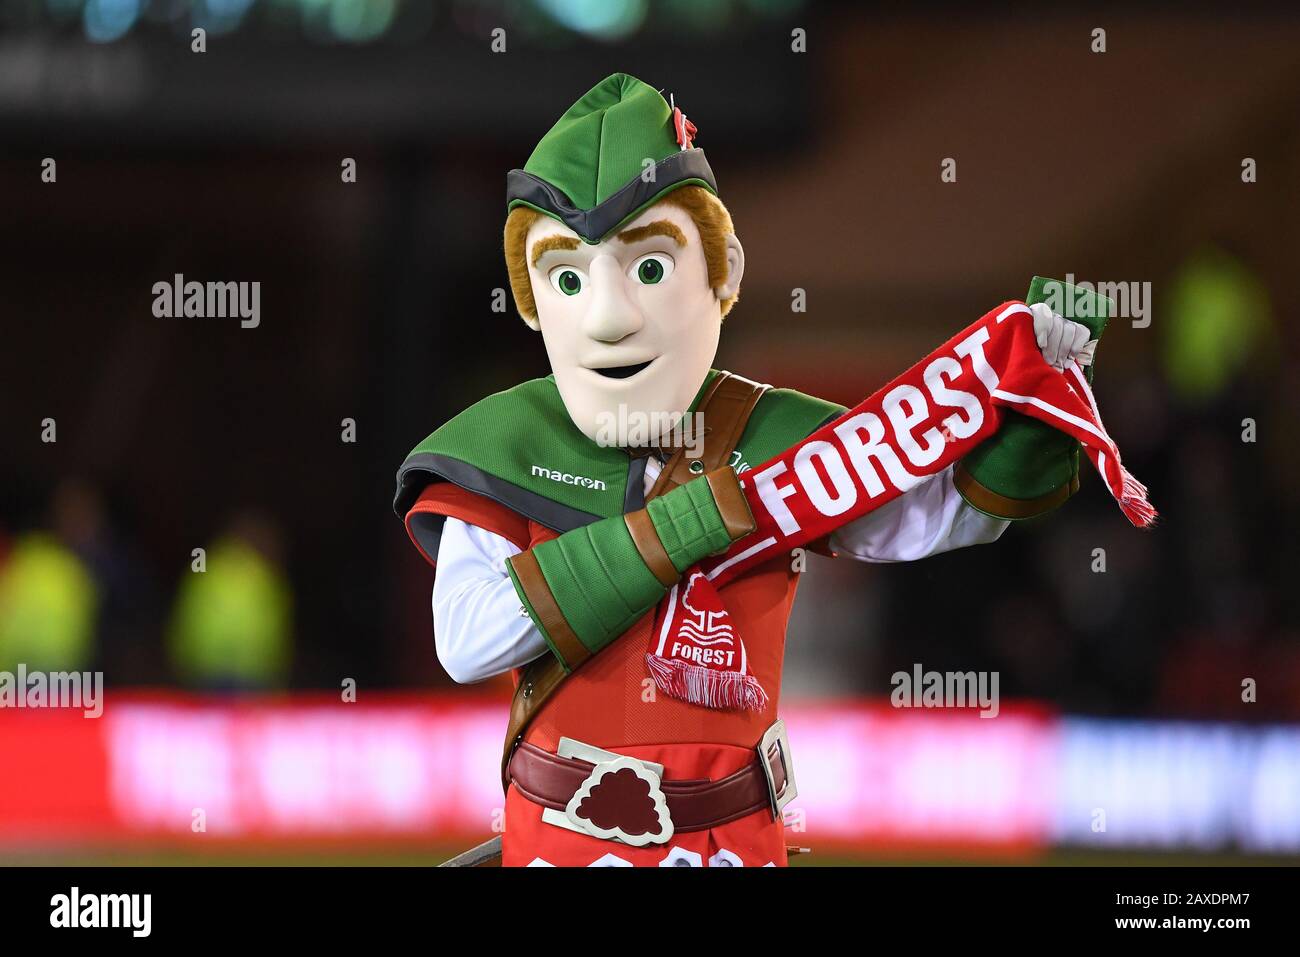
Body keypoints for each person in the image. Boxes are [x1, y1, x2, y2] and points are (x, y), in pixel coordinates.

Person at [393, 74, 1105, 866]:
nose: (607, 315)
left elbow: (934, 512)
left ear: (722, 270)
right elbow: (464, 637)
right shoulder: (505, 445)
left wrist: (1038, 407)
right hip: (565, 838)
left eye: (650, 267)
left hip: (733, 838)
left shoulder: (778, 437)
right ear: (532, 301)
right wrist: (677, 528)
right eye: (568, 277)